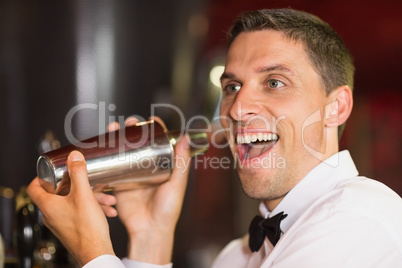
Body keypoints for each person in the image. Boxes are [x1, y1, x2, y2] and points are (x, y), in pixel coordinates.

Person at [27, 8, 402, 268]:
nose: (237, 109)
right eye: (232, 86)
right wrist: (149, 237)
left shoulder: (362, 218)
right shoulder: (235, 258)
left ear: (336, 107)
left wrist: (93, 251)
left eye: (274, 82)